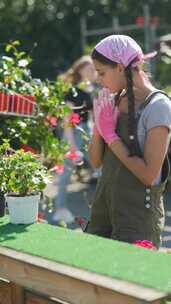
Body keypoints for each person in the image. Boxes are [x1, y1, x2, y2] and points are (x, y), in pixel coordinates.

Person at [86, 34, 171, 249]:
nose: (98, 79)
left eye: (102, 72)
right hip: (104, 213)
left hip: (137, 222)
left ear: (121, 67)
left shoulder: (158, 106)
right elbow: (96, 162)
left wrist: (111, 136)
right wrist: (99, 128)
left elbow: (148, 174)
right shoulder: (114, 99)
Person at [52, 55, 97, 223]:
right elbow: (67, 118)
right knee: (65, 173)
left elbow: (90, 116)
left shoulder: (90, 89)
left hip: (87, 132)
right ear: (80, 70)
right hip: (73, 133)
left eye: (94, 68)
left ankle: (107, 209)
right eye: (90, 68)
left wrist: (93, 132)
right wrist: (71, 145)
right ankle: (60, 209)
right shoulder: (72, 90)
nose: (93, 71)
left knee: (100, 168)